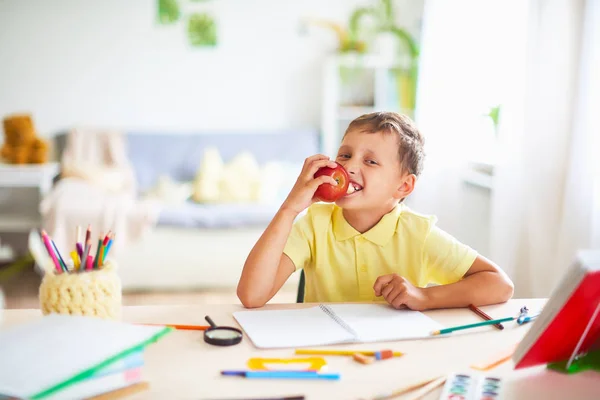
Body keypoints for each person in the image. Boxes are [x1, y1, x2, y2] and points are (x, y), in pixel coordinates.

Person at [237, 112, 514, 310]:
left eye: (370, 161)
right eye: (345, 155)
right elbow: (252, 296)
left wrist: (425, 297)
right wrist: (289, 208)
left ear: (403, 186)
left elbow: (499, 285)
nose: (350, 167)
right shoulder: (314, 224)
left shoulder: (418, 233)